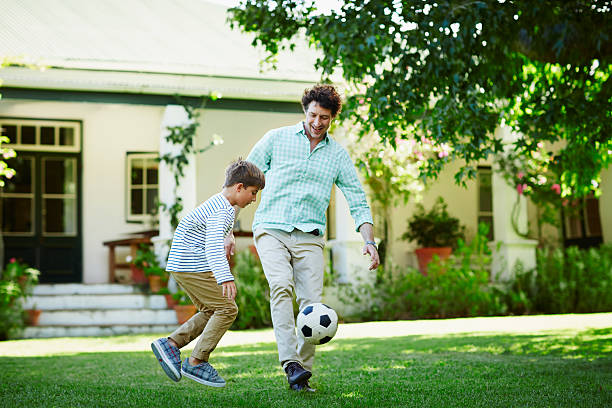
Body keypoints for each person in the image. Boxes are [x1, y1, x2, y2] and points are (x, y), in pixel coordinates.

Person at [227, 84, 380, 392]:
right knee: (281, 286)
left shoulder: (337, 154)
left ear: (333, 117)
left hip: (310, 237)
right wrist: (227, 227)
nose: (317, 122)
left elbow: (357, 199)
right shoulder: (276, 139)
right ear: (305, 111)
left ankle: (302, 375)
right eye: (313, 114)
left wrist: (369, 240)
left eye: (324, 117)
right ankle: (290, 363)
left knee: (313, 305)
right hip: (271, 228)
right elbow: (241, 181)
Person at [151, 159, 265, 387]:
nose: (254, 199)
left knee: (212, 309)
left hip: (183, 264)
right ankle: (196, 361)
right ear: (239, 187)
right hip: (191, 264)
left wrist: (229, 235)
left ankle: (171, 345)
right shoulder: (222, 210)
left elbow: (219, 228)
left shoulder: (223, 205)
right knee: (227, 308)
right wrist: (225, 276)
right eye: (253, 193)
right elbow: (213, 245)